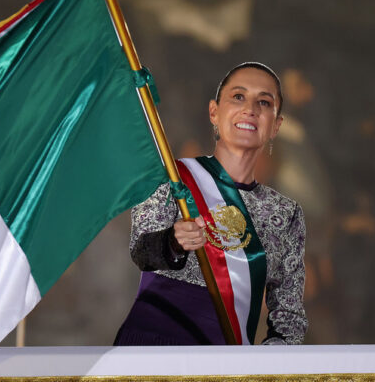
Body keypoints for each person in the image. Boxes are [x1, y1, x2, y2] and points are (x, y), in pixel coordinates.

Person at [114, 62, 307, 345]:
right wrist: (174, 241)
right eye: (238, 96)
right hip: (151, 351)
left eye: (264, 102)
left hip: (226, 365)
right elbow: (142, 251)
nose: (250, 109)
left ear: (276, 125)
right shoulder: (172, 177)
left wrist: (263, 373)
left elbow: (289, 321)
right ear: (214, 112)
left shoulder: (286, 214)